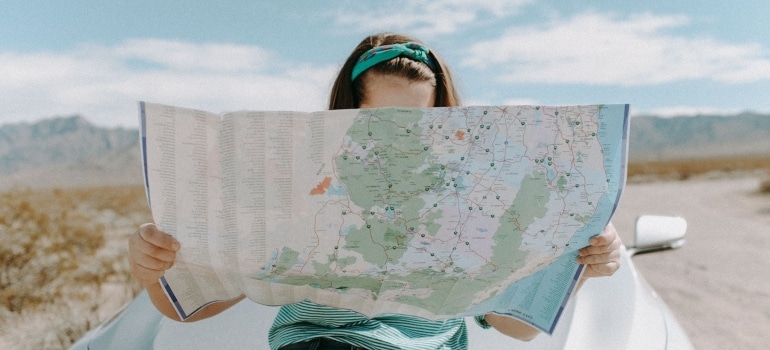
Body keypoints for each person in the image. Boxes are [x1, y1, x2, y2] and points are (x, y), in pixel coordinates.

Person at [129, 32, 623, 350]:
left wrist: (577, 265)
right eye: (380, 122)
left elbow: (518, 327)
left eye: (418, 123)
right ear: (345, 117)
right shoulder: (295, 187)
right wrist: (154, 268)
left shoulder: (477, 200)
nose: (399, 139)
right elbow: (187, 308)